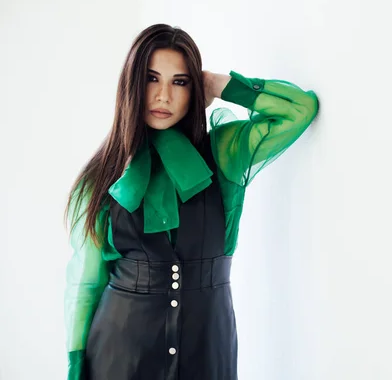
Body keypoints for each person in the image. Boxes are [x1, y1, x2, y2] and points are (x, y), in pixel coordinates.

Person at [63, 23, 319, 380]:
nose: (164, 96)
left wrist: (220, 85)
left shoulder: (223, 152)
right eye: (151, 79)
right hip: (119, 356)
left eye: (179, 82)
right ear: (132, 85)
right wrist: (76, 366)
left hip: (208, 348)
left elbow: (299, 109)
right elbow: (86, 283)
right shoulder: (102, 176)